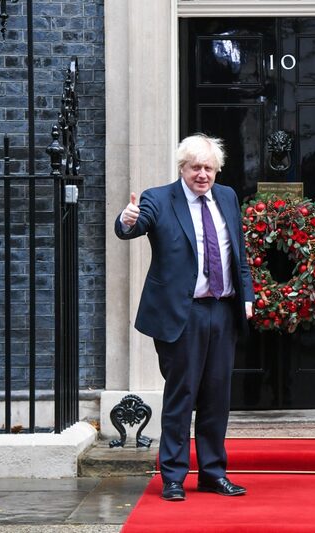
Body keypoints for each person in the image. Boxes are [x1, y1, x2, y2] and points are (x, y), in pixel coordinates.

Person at [115, 134, 254, 501]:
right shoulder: (159, 198)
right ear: (182, 167)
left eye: (209, 168)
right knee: (181, 396)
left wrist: (248, 298)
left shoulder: (227, 197)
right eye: (196, 167)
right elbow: (135, 225)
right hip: (183, 314)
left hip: (223, 311)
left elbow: (237, 254)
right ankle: (173, 477)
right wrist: (126, 220)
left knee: (216, 398)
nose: (203, 174)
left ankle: (212, 473)